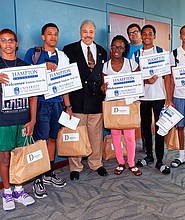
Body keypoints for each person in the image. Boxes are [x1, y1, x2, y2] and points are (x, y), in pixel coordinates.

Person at [24, 23, 71, 198]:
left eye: (56, 34)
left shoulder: (62, 56)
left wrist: (68, 106)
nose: (53, 37)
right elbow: (28, 76)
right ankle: (38, 177)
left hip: (57, 103)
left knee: (52, 138)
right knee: (40, 141)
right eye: (49, 34)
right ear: (43, 36)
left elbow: (67, 83)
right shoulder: (34, 53)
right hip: (41, 103)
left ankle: (49, 172)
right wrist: (43, 67)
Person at [62, 20, 108, 180]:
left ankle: (96, 163)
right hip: (77, 100)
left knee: (96, 135)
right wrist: (67, 104)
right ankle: (75, 166)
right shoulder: (68, 50)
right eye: (84, 31)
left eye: (91, 32)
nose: (88, 35)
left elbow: (103, 76)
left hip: (95, 100)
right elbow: (64, 77)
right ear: (80, 32)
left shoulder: (102, 51)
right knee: (76, 134)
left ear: (94, 33)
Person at [0, 28, 36, 211]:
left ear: (16, 43)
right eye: (4, 40)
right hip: (3, 121)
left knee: (20, 158)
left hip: (23, 119)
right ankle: (7, 192)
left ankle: (19, 190)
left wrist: (32, 120)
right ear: (0, 44)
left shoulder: (24, 66)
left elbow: (34, 96)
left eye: (11, 40)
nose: (8, 44)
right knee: (5, 158)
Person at [101, 35, 142, 176]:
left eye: (120, 47)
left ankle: (131, 163)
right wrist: (103, 88)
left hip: (128, 104)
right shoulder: (105, 66)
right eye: (114, 47)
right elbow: (103, 85)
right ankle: (121, 162)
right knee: (116, 135)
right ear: (111, 48)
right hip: (113, 104)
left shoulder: (131, 64)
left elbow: (139, 83)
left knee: (130, 136)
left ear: (124, 49)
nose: (117, 49)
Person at [135, 24, 171, 174]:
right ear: (141, 36)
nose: (147, 36)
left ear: (154, 36)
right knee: (145, 128)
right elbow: (135, 77)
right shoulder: (136, 54)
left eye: (150, 34)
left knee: (159, 128)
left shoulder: (162, 52)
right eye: (144, 34)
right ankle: (149, 155)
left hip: (159, 97)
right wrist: (145, 81)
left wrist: (168, 98)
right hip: (144, 98)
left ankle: (160, 160)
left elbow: (167, 76)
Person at [170, 25, 185, 168]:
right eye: (183, 34)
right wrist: (169, 98)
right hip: (179, 96)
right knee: (180, 127)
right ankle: (181, 156)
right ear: (180, 37)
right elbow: (170, 78)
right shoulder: (175, 53)